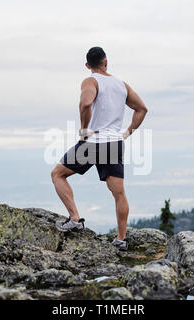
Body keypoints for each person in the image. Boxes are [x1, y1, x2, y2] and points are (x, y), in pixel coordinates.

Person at [50, 46, 148, 251]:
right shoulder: (122, 85)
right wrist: (128, 131)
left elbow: (85, 103)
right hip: (114, 143)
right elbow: (142, 109)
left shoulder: (90, 81)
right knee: (119, 194)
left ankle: (75, 219)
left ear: (87, 65)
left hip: (93, 143)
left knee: (58, 174)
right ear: (106, 62)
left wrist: (84, 130)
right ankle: (121, 240)